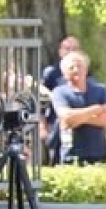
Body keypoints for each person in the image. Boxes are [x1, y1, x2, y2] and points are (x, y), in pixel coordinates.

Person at [49, 50, 106, 166]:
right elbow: (66, 118)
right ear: (64, 73)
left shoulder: (100, 90)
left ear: (86, 69)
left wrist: (78, 118)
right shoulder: (60, 92)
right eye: (71, 67)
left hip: (98, 153)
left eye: (79, 66)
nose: (76, 70)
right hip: (71, 155)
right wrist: (95, 110)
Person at [39, 35, 81, 165]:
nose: (70, 51)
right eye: (67, 48)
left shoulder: (84, 71)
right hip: (55, 124)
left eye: (74, 48)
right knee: (55, 160)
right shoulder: (51, 73)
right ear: (60, 51)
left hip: (79, 123)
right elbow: (40, 101)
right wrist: (42, 125)